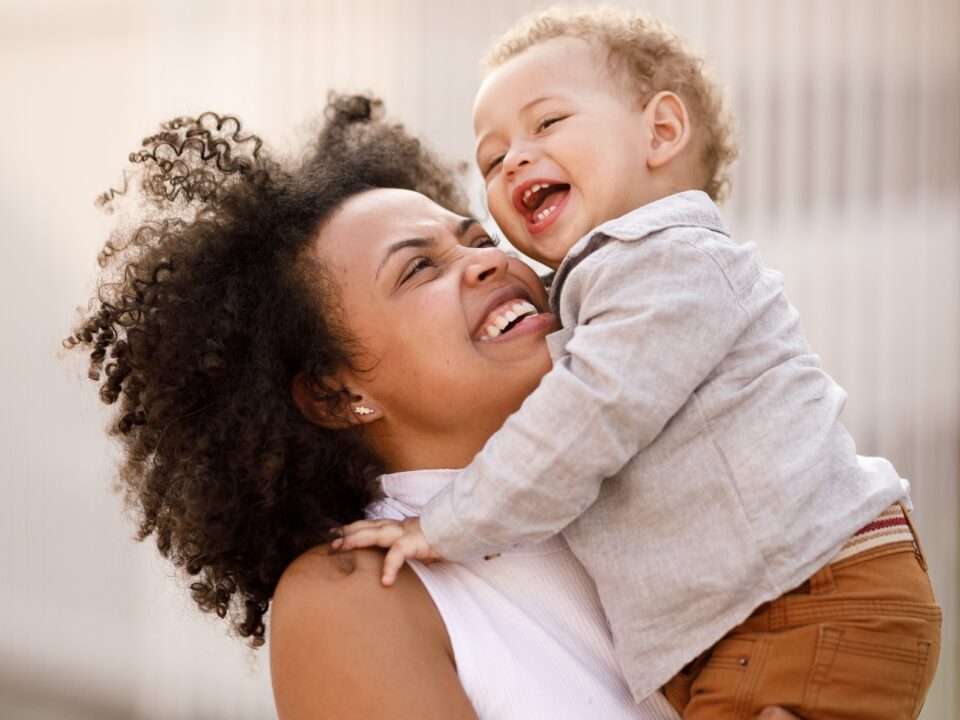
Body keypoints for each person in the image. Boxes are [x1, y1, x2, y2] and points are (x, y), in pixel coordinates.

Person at [71, 95, 813, 719]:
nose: (491, 260)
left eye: (478, 238)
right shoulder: (356, 595)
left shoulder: (656, 479)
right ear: (337, 394)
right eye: (420, 268)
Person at [335, 7, 942, 719]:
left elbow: (588, 417)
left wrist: (440, 527)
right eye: (493, 159)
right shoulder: (612, 287)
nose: (515, 160)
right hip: (777, 607)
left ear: (660, 131)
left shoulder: (665, 263)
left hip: (802, 599)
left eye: (547, 123)